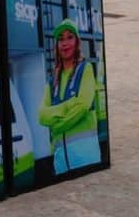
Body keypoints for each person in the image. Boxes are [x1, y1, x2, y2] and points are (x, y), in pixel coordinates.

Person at [38, 19, 101, 175]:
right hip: (61, 165)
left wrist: (57, 127)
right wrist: (67, 106)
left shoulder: (85, 69)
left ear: (77, 43)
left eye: (70, 37)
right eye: (61, 39)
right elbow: (41, 115)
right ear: (57, 46)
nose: (65, 43)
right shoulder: (52, 81)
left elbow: (82, 107)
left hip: (86, 159)